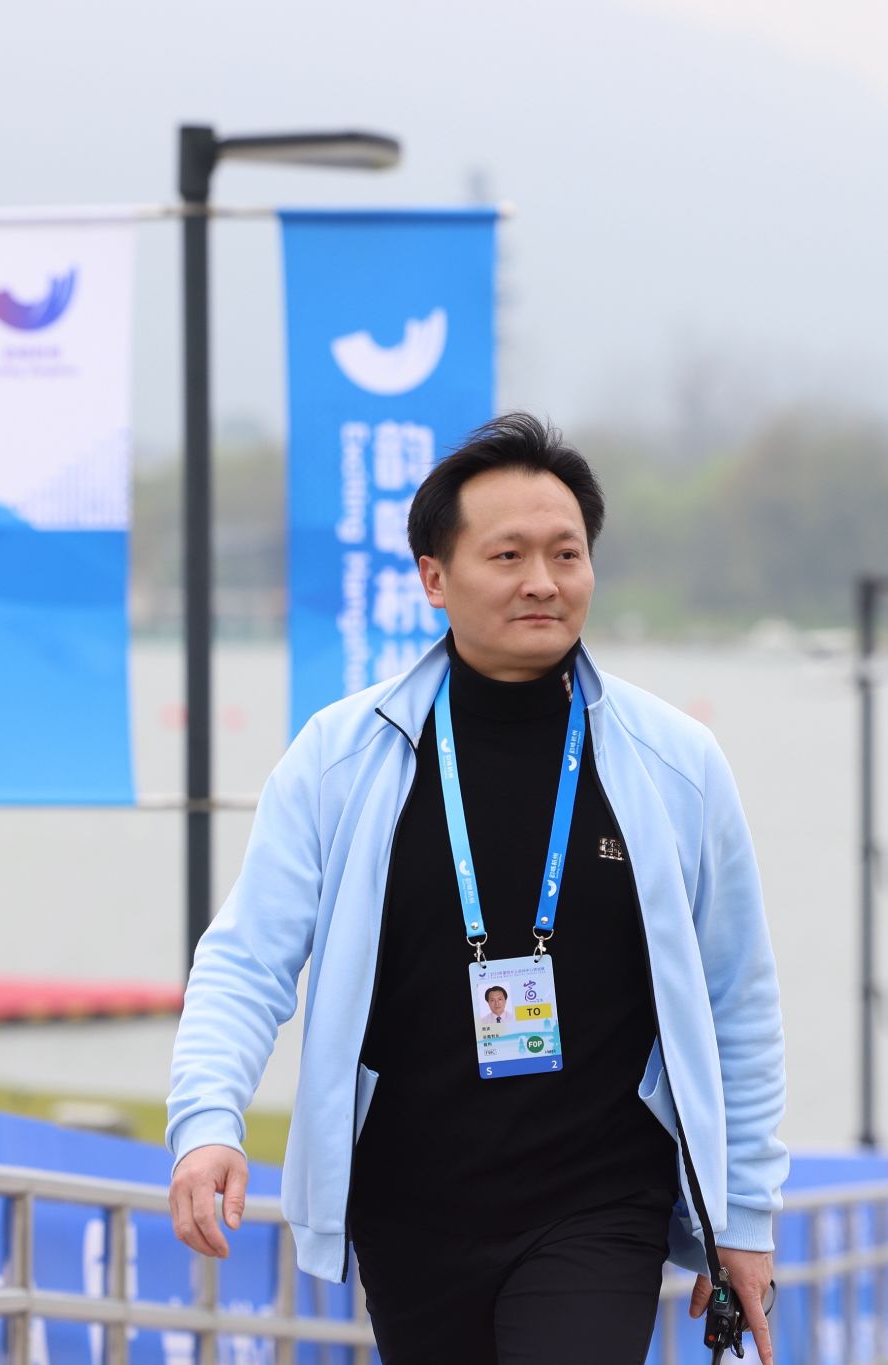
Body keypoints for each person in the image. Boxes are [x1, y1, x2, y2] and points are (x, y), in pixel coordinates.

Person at [166, 413, 787, 1365]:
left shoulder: (676, 764)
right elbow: (246, 961)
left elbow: (739, 996)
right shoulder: (343, 759)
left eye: (566, 553)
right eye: (507, 554)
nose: (543, 580)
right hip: (411, 1207)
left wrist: (742, 1213)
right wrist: (208, 1121)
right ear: (434, 578)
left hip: (601, 1202)